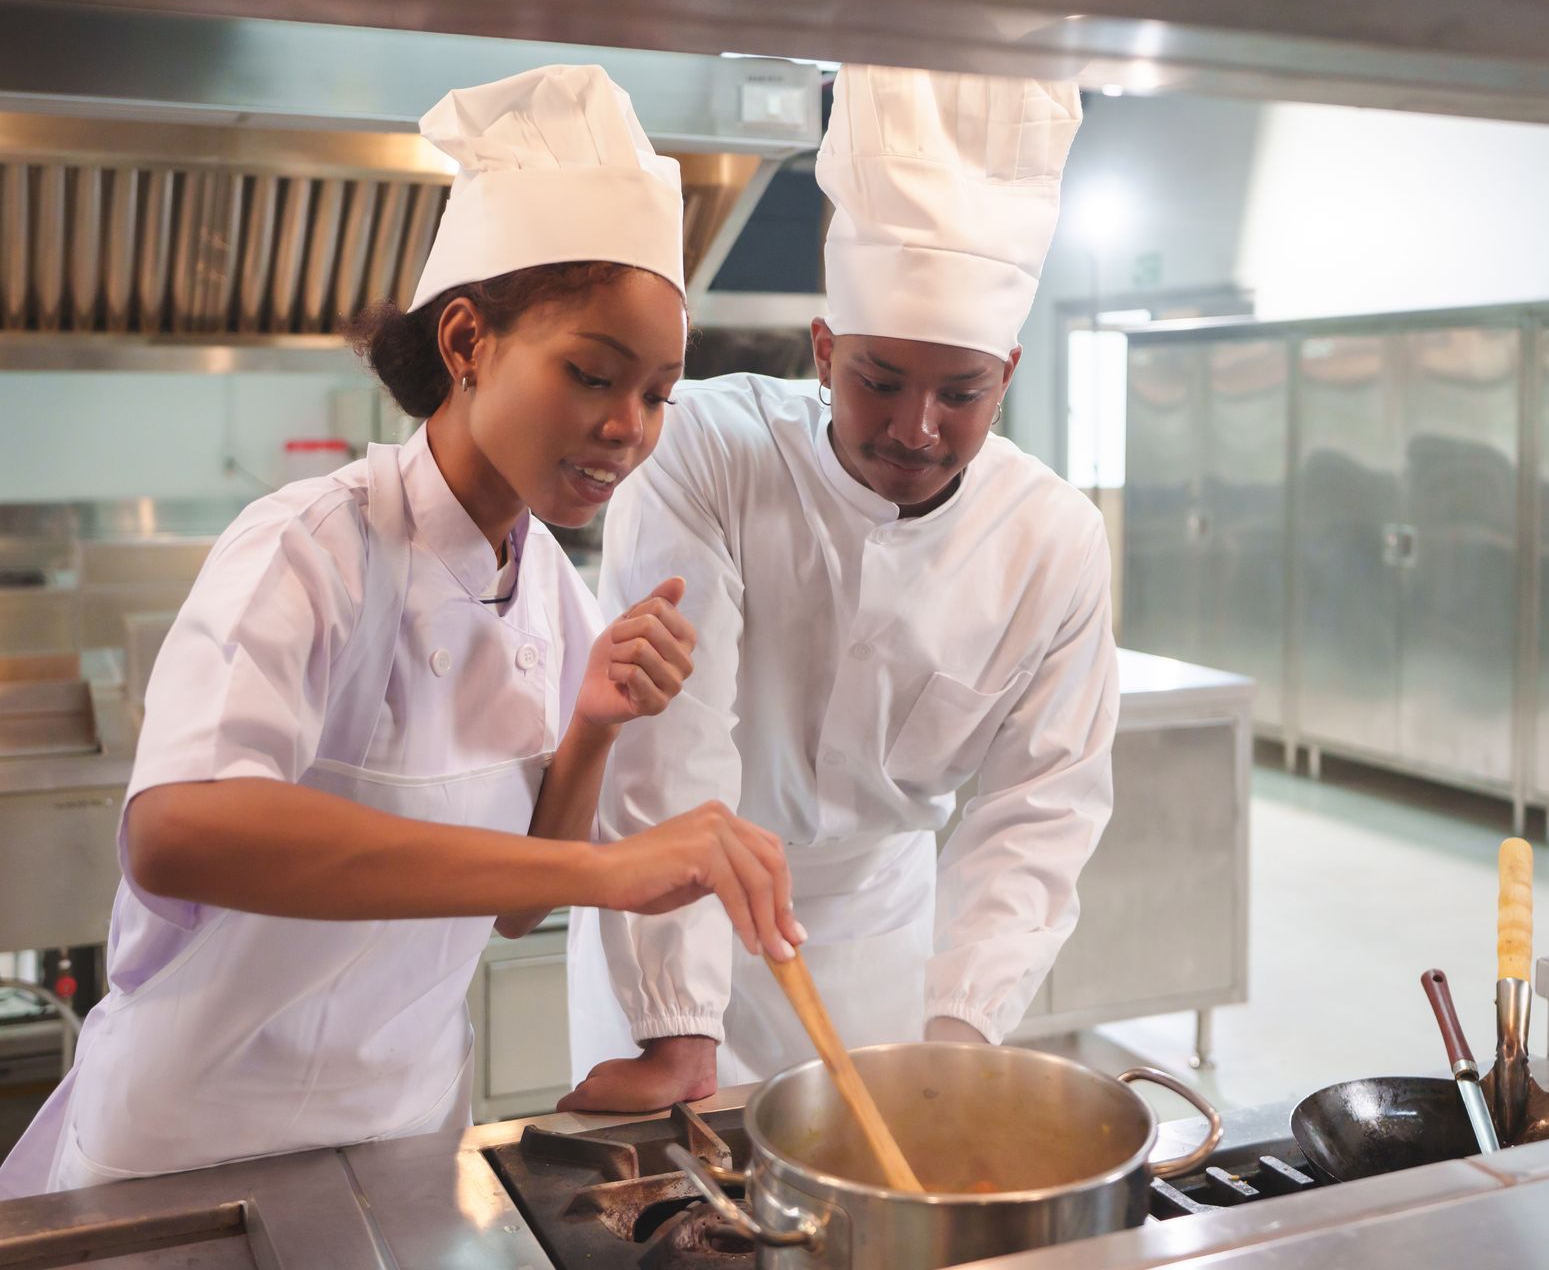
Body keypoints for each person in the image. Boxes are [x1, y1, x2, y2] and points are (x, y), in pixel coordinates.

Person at [0, 63, 798, 1198]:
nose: (628, 427)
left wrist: (590, 730)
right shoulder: (313, 544)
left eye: (660, 392)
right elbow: (175, 831)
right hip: (190, 1144)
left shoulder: (552, 594)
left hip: (400, 1130)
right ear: (468, 341)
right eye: (592, 374)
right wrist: (607, 868)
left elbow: (517, 902)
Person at [564, 64, 1116, 1109]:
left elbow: (1038, 809)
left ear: (1009, 370)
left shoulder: (1053, 539)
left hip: (876, 943)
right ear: (825, 349)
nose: (917, 429)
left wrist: (961, 1028)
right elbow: (669, 741)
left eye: (962, 394)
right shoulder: (707, 453)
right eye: (879, 380)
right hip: (671, 909)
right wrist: (681, 1025)